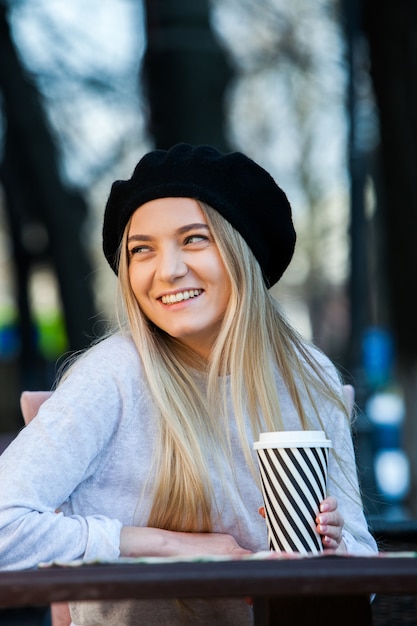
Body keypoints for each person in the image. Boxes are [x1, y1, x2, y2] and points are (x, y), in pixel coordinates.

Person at [0, 143, 377, 625]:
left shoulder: (307, 375)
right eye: (142, 250)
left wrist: (337, 548)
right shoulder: (112, 376)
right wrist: (162, 544)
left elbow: (363, 577)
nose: (167, 270)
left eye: (194, 239)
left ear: (244, 251)